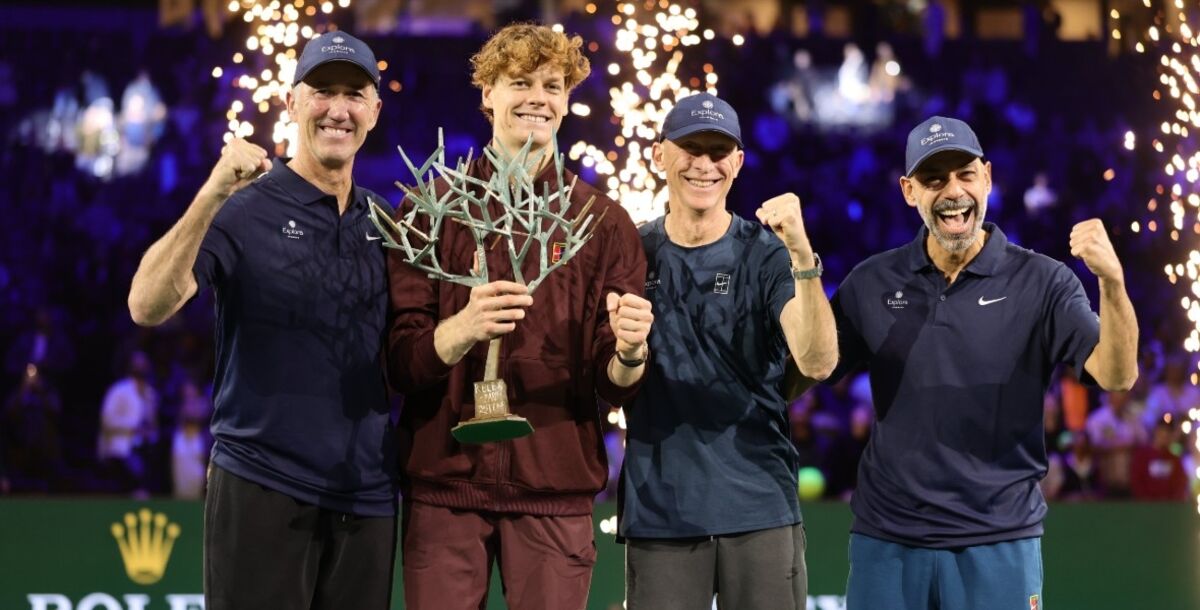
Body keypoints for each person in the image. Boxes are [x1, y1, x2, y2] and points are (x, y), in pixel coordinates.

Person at [386, 23, 652, 610]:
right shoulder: (429, 211)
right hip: (445, 487)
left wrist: (631, 354)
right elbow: (400, 364)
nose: (538, 97)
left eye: (552, 86)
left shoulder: (603, 224)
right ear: (487, 94)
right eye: (520, 82)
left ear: (566, 100)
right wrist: (460, 330)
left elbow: (614, 384)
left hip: (554, 491)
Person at [127, 31, 397, 609]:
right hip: (262, 485)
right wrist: (212, 193)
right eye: (322, 91)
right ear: (293, 102)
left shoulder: (390, 222)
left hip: (366, 499)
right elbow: (147, 305)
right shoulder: (243, 207)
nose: (338, 109)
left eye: (355, 94)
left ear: (375, 111)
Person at [825, 116, 1138, 610]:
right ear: (909, 191)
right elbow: (807, 372)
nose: (953, 191)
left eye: (965, 175)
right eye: (934, 179)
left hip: (998, 541)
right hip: (887, 542)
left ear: (988, 178)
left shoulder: (1044, 282)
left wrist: (1113, 285)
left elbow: (1117, 375)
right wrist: (799, 268)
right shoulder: (871, 282)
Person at [617, 92, 837, 610]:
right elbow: (613, 378)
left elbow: (819, 361)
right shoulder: (630, 252)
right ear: (659, 154)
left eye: (719, 152)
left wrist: (802, 256)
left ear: (737, 163)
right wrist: (627, 353)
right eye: (690, 147)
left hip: (759, 507)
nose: (705, 164)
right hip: (661, 512)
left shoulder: (766, 255)